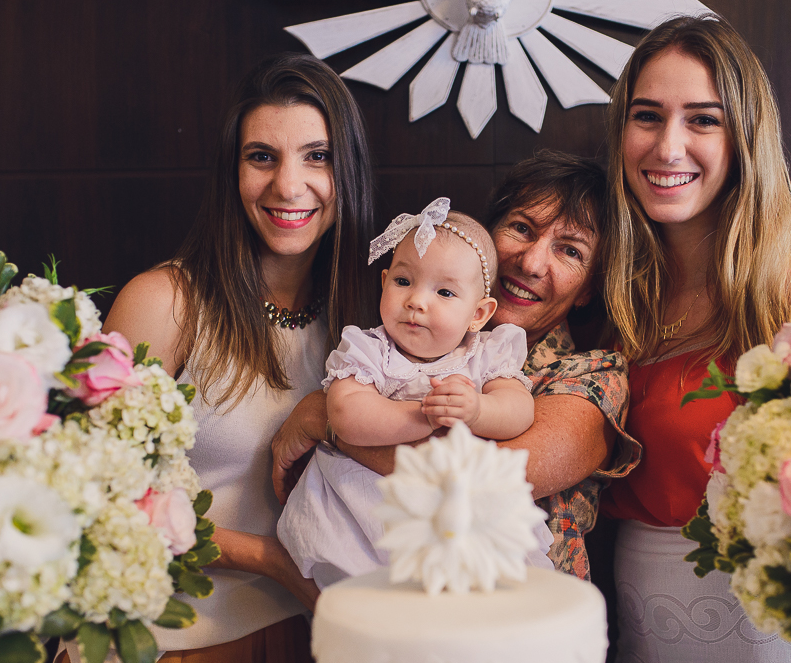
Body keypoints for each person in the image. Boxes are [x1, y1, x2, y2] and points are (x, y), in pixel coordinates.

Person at [52, 53, 376, 663]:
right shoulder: (166, 302)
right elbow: (97, 498)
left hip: (310, 646)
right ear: (232, 174)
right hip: (167, 646)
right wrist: (270, 561)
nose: (289, 184)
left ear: (347, 172)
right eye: (262, 156)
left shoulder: (369, 315)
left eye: (316, 156)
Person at [598, 15, 791, 663]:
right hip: (636, 661)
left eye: (703, 121)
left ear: (743, 140)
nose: (668, 147)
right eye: (648, 117)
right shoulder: (614, 302)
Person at [272, 151, 641, 580]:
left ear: (588, 289)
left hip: (515, 615)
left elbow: (484, 480)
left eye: (570, 251)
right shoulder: (390, 335)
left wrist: (325, 417)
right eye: (521, 228)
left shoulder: (593, 375)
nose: (531, 262)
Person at [277, 198, 550, 588]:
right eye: (403, 281)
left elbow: (519, 409)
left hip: (456, 521)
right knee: (373, 594)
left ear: (479, 314)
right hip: (363, 508)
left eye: (444, 293)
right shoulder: (368, 349)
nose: (416, 301)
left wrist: (478, 410)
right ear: (384, 280)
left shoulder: (485, 354)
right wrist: (421, 416)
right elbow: (345, 415)